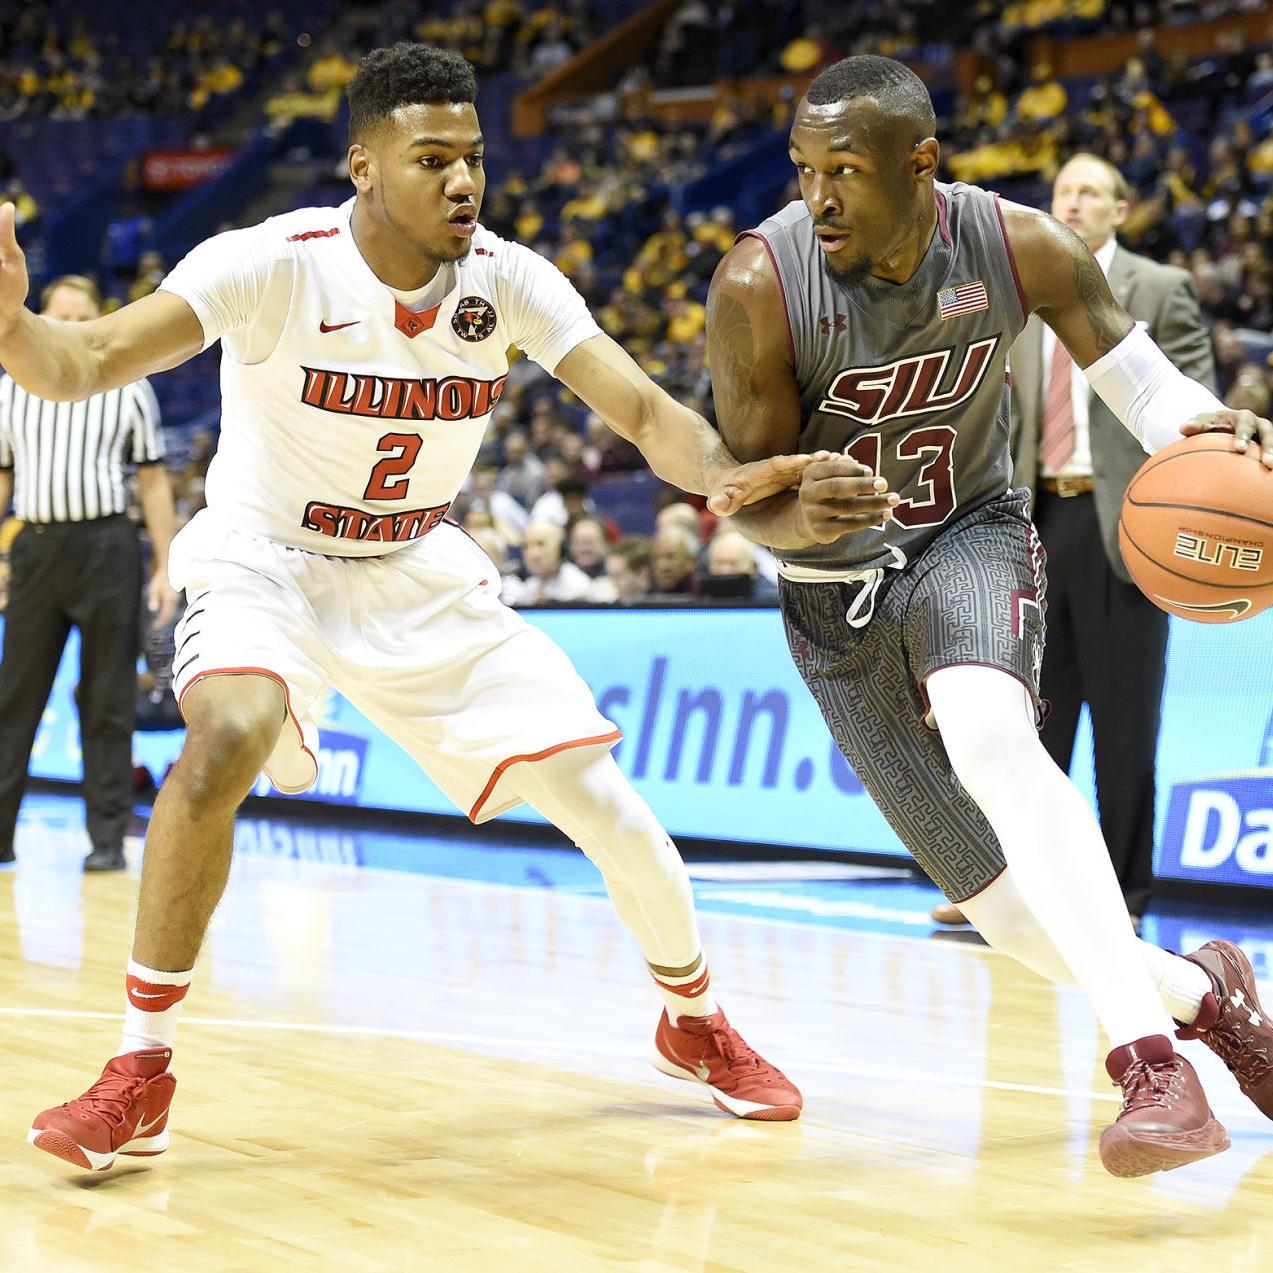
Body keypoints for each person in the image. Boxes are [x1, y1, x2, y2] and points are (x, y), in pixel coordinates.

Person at [4, 44, 805, 1175]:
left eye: (472, 158)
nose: (463, 182)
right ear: (363, 166)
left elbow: (639, 408)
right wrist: (11, 331)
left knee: (607, 807)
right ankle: (141, 1069)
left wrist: (723, 475)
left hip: (416, 566)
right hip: (265, 558)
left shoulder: (511, 279)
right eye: (432, 159)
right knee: (224, 734)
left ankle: (692, 1018)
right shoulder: (270, 262)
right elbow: (86, 358)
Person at [706, 54, 1273, 1179]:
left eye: (845, 173)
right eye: (803, 171)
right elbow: (746, 503)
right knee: (1008, 915)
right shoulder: (757, 287)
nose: (817, 198)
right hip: (833, 601)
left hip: (971, 533)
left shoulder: (1018, 246)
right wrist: (790, 510)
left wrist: (1223, 433)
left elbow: (1145, 390)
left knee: (994, 736)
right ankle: (1206, 996)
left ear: (921, 166)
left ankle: (1149, 1063)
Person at [931, 153, 1215, 930]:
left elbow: (1191, 402)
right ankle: (1012, 889)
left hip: (1129, 528)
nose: (1074, 202)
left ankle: (1122, 897)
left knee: (1126, 730)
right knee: (1026, 721)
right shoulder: (1024, 292)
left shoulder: (1159, 289)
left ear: (1121, 209)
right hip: (1036, 524)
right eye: (1063, 192)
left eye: (1090, 191)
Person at [0, 274, 179, 872]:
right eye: (63, 316)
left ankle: (107, 840)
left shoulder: (128, 387)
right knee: (14, 699)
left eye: (84, 318)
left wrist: (165, 562)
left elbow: (152, 478)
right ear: (40, 320)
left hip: (108, 548)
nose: (73, 328)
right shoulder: (9, 390)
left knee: (108, 700)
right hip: (37, 548)